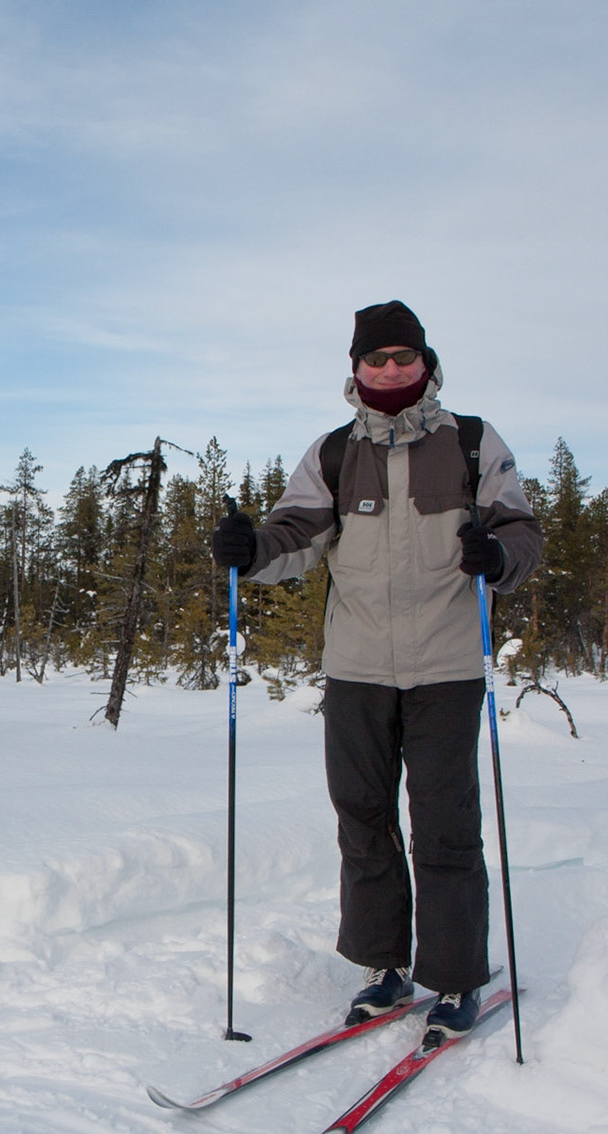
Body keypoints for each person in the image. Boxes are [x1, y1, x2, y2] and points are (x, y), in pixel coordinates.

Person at [211, 300, 542, 1040]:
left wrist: (502, 557)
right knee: (363, 820)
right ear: (356, 368)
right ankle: (383, 968)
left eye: (403, 357)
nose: (390, 369)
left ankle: (454, 976)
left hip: (448, 666)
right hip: (357, 667)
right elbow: (296, 534)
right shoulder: (333, 452)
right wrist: (251, 549)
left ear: (426, 363)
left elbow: (519, 528)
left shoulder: (472, 442)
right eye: (376, 359)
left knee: (445, 826)